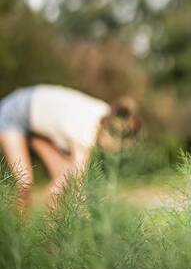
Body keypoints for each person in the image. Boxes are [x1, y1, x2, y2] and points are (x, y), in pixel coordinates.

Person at [0, 84, 141, 213]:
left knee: (64, 177)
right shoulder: (85, 133)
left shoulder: (109, 115)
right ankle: (20, 234)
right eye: (118, 144)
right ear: (109, 133)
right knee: (25, 183)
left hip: (37, 124)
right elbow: (73, 188)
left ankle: (52, 234)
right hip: (15, 112)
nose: (116, 151)